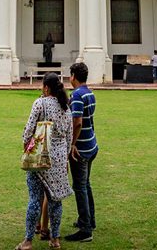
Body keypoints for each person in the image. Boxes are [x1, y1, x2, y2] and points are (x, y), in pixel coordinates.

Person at [16, 73, 73, 250]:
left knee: (35, 199)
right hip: (59, 158)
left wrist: (26, 147)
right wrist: (64, 158)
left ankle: (27, 241)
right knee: (56, 201)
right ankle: (55, 239)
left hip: (40, 158)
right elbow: (69, 137)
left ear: (46, 88)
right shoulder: (66, 107)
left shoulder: (40, 103)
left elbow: (28, 130)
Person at [65, 62, 97, 243]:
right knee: (86, 184)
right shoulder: (89, 92)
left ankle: (85, 229)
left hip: (82, 149)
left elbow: (77, 122)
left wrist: (72, 144)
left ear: (73, 76)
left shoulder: (77, 95)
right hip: (91, 145)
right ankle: (89, 221)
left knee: (80, 186)